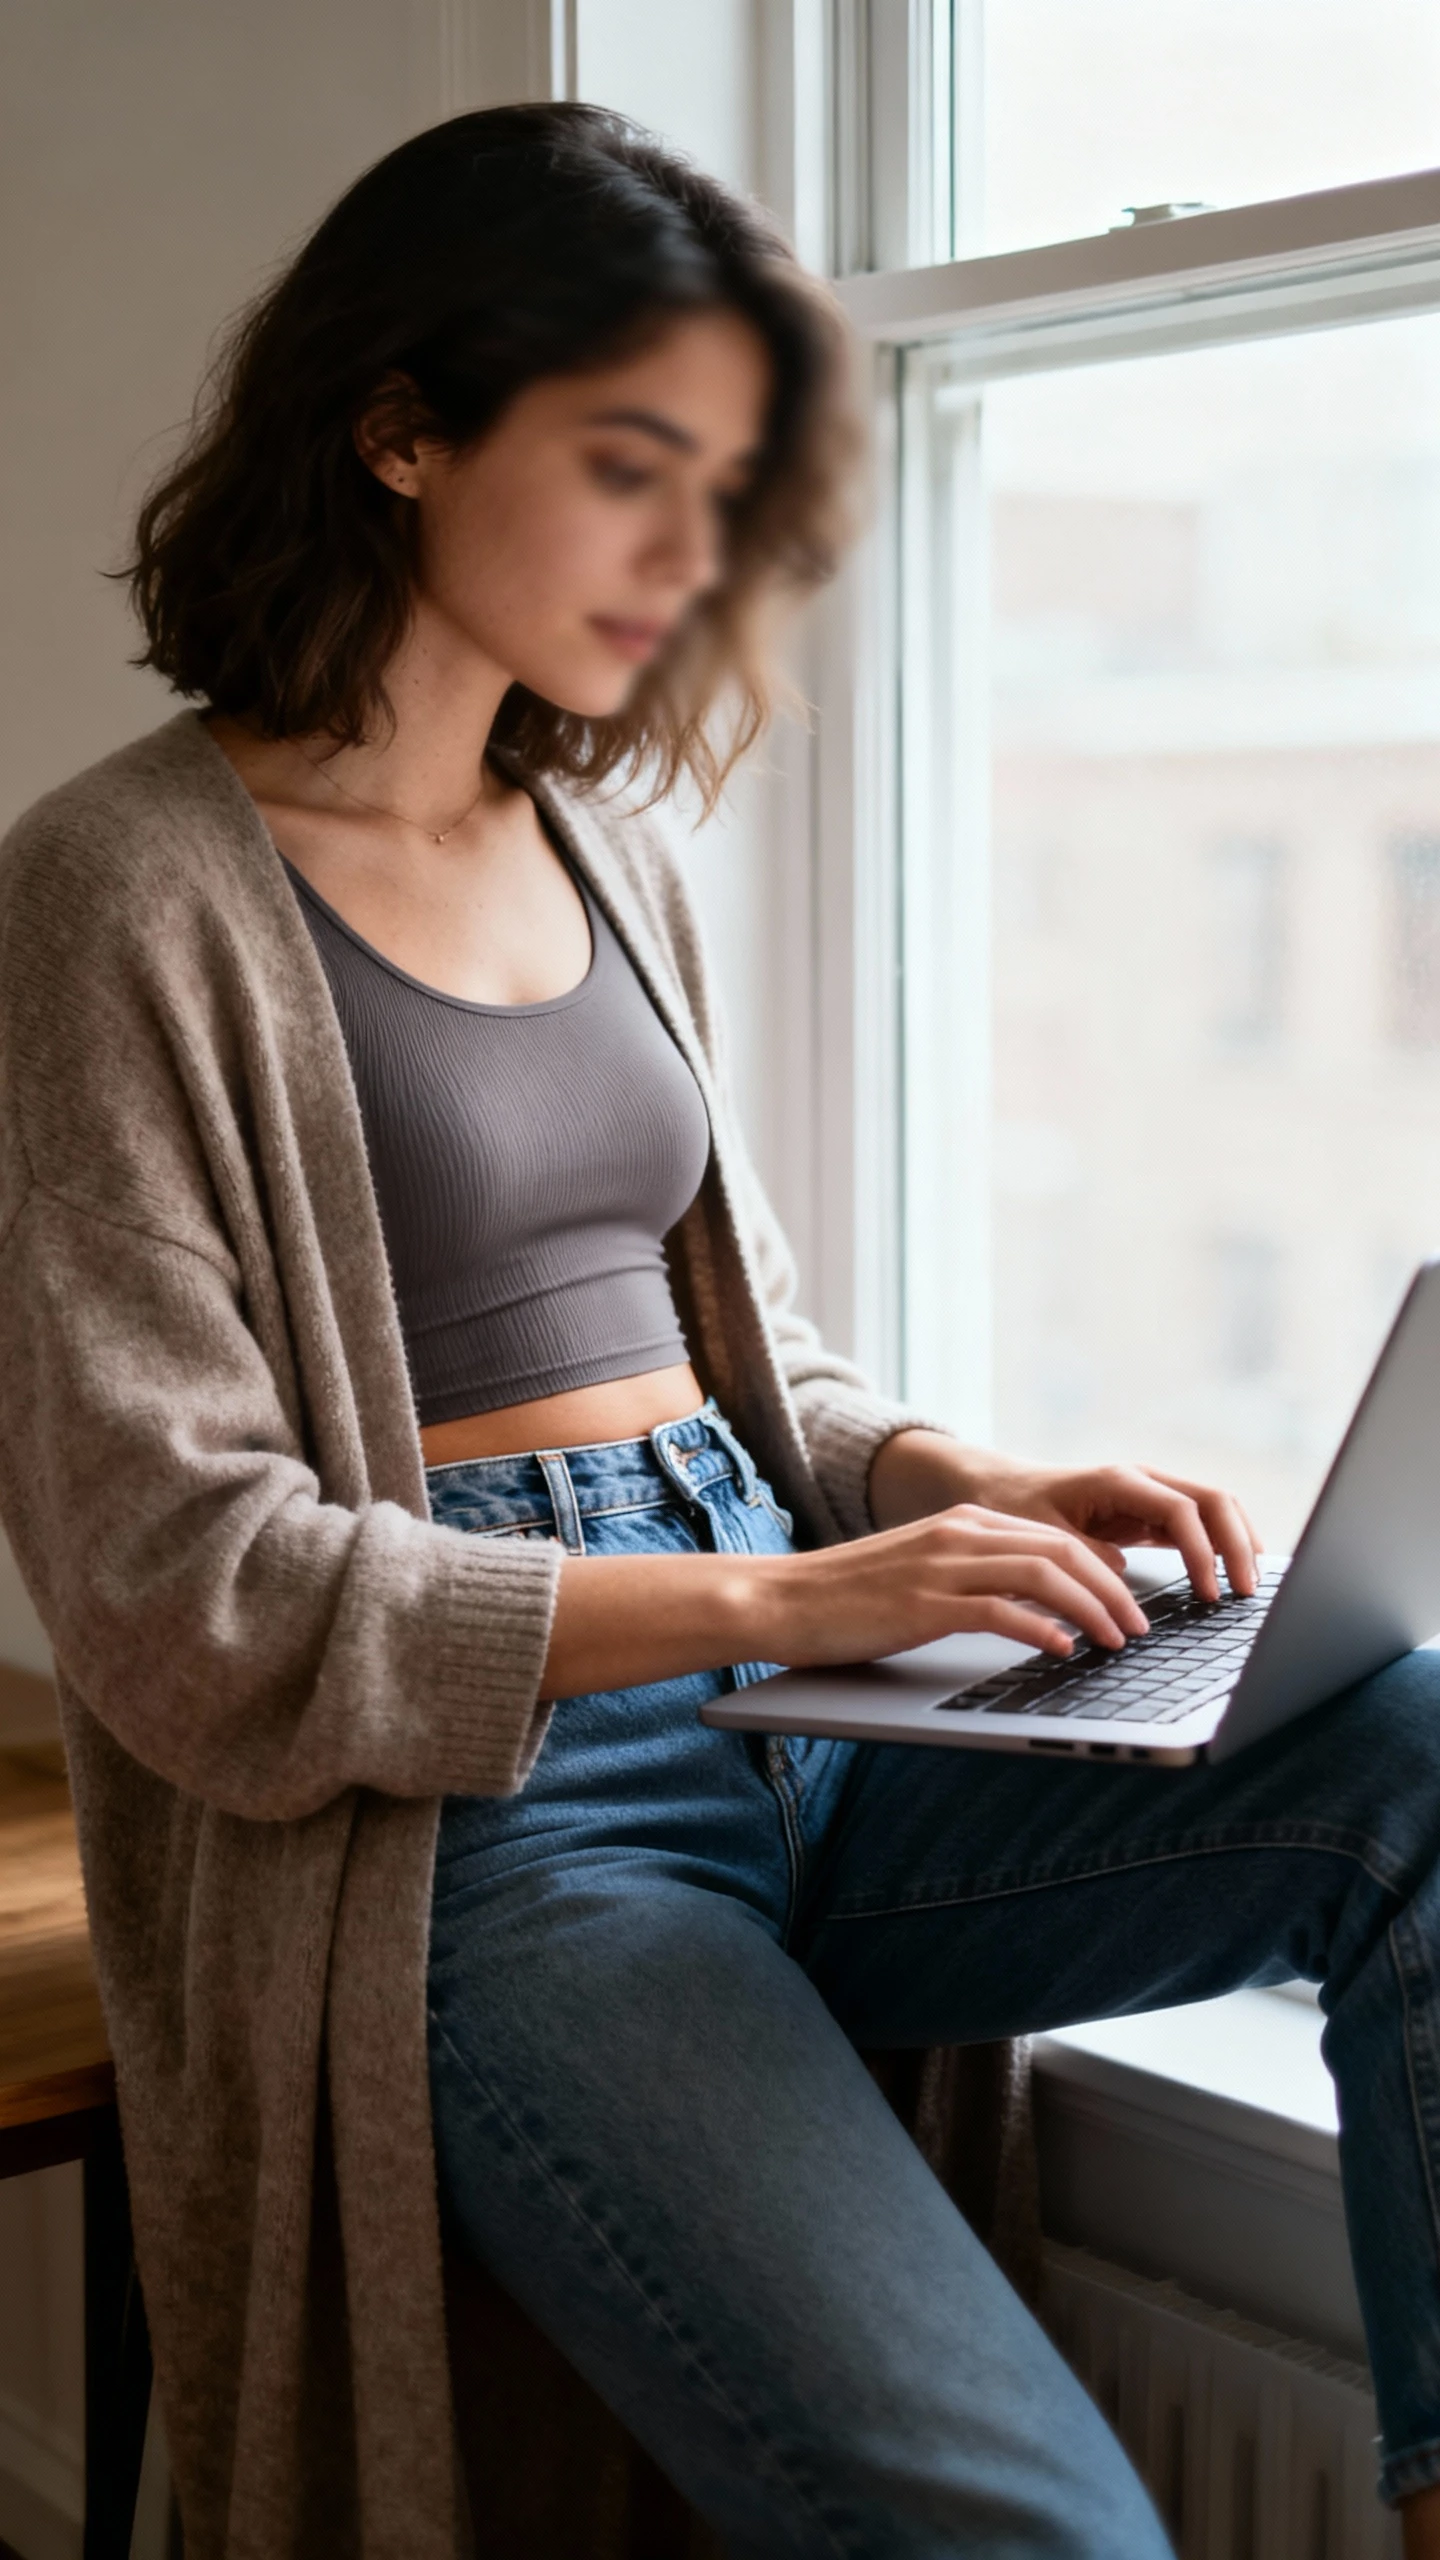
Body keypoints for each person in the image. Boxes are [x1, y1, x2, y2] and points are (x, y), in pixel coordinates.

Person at [2, 99, 1439, 2560]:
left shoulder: (608, 848)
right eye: (628, 468)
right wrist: (788, 1592)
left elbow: (744, 1351)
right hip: (499, 1834)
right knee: (1032, 2527)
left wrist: (936, 1480)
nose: (696, 557)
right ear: (403, 429)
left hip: (813, 1723)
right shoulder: (113, 894)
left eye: (731, 484)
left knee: (1405, 1745)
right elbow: (177, 1583)